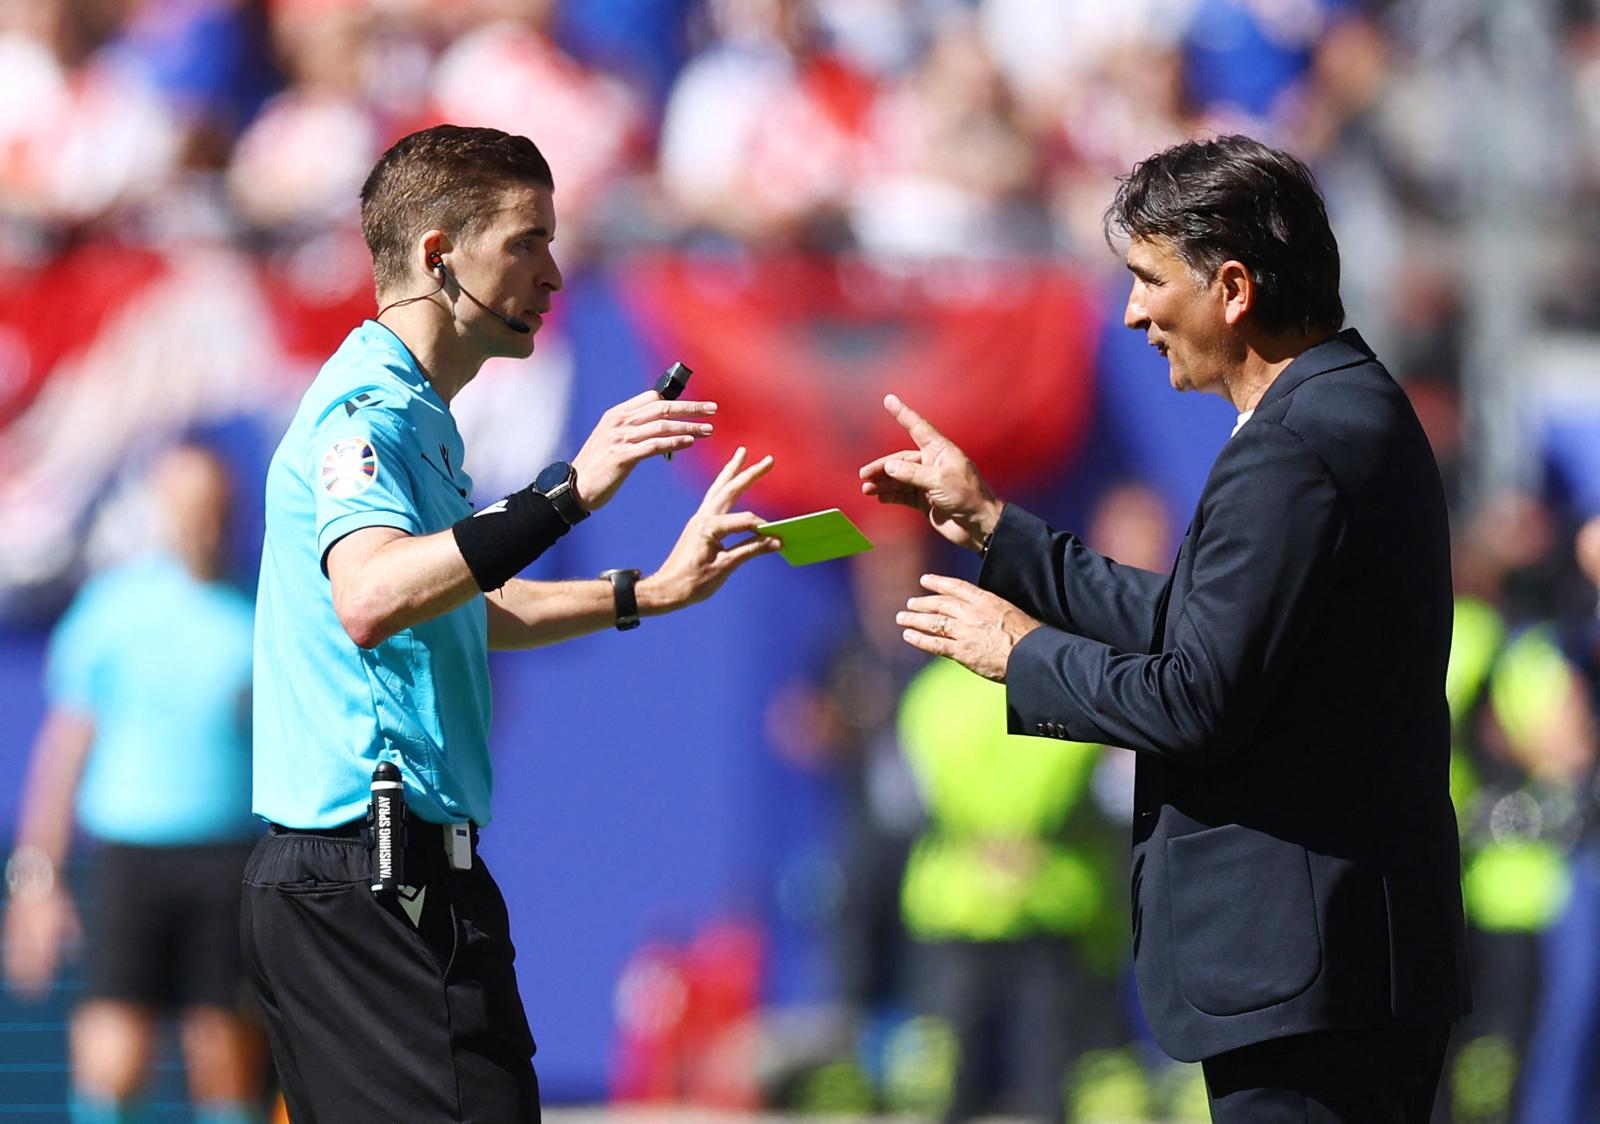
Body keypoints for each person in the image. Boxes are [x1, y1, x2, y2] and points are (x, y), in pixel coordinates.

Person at [859, 134, 1470, 1122]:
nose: (1134, 310)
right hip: (1338, 962)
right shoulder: (1341, 410)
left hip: (1310, 973)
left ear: (1232, 287)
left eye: (1147, 279)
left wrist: (1019, 653)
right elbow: (1203, 627)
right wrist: (993, 527)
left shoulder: (1293, 446)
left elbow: (1195, 694)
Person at [239, 123, 781, 1123]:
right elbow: (369, 594)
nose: (554, 271)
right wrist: (566, 493)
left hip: (402, 875)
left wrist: (645, 591)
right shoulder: (367, 411)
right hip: (369, 876)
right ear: (440, 253)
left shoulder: (420, 412)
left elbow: (468, 602)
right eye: (526, 240)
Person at [4, 444, 267, 1124]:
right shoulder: (111, 611)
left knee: (225, 1056)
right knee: (112, 1058)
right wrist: (37, 882)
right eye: (187, 508)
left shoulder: (261, 609)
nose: (202, 523)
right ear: (160, 512)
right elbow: (62, 754)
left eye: (215, 509)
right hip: (131, 860)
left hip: (232, 860)